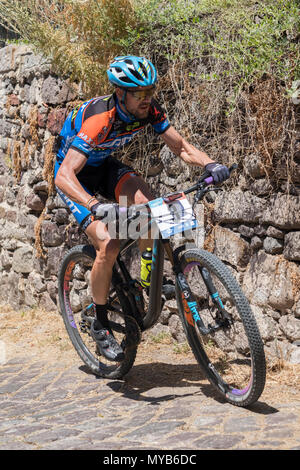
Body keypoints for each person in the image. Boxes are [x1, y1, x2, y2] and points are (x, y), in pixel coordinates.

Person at [54, 55, 230, 362]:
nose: (148, 98)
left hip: (103, 166)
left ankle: (149, 279)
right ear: (121, 93)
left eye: (151, 91)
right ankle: (99, 321)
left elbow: (181, 146)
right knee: (108, 242)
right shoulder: (99, 120)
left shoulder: (149, 109)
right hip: (74, 177)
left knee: (152, 207)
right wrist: (94, 205)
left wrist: (210, 163)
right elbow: (63, 175)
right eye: (140, 94)